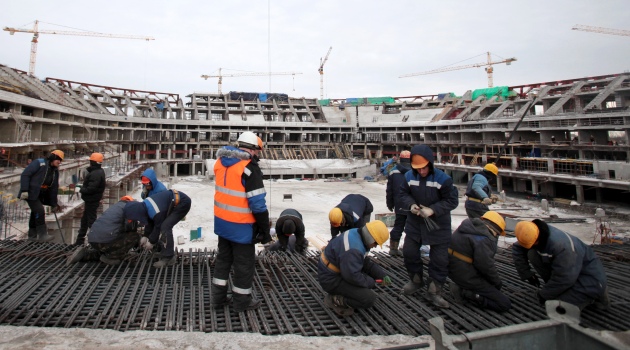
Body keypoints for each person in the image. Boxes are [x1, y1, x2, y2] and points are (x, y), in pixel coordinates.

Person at [211, 131, 271, 312]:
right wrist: (265, 230)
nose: (258, 155)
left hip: (222, 223)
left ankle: (217, 300)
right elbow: (258, 205)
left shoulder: (220, 163)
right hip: (242, 228)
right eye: (258, 152)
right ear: (252, 149)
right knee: (243, 266)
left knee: (223, 261)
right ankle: (241, 303)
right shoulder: (249, 168)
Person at [398, 144, 459, 308]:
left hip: (438, 225)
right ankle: (416, 280)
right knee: (409, 252)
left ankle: (434, 290)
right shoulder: (409, 176)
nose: (421, 172)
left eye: (424, 168)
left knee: (439, 260)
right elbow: (403, 193)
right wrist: (411, 205)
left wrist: (433, 210)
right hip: (415, 224)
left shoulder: (443, 179)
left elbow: (452, 201)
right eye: (418, 169)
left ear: (430, 164)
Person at [512, 219, 610, 310]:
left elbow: (564, 278)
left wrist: (544, 294)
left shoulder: (563, 247)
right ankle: (559, 291)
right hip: (570, 272)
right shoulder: (533, 232)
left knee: (557, 307)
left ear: (537, 238)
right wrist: (526, 273)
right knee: (532, 253)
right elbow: (518, 248)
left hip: (588, 279)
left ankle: (595, 296)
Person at [318, 221, 392, 316]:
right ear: (370, 238)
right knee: (368, 299)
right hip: (330, 280)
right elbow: (352, 276)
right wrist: (370, 282)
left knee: (364, 282)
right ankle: (334, 300)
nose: (375, 246)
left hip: (335, 271)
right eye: (375, 243)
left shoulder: (356, 233)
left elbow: (365, 262)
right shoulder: (353, 250)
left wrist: (381, 275)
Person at [448, 211, 511, 312]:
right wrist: (497, 283)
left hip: (453, 269)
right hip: (466, 275)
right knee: (504, 304)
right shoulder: (484, 239)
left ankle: (462, 287)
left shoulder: (467, 228)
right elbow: (486, 267)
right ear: (495, 229)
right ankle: (466, 293)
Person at [123, 189, 192, 268]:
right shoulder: (145, 206)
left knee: (165, 227)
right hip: (174, 200)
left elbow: (158, 227)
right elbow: (150, 221)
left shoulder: (156, 211)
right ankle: (165, 251)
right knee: (163, 225)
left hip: (182, 203)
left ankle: (169, 258)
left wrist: (152, 242)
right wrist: (146, 236)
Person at [66, 196, 140, 266]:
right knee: (134, 236)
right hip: (106, 241)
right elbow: (129, 228)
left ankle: (86, 254)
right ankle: (112, 257)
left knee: (106, 246)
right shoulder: (129, 208)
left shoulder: (114, 207)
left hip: (93, 240)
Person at [18, 150, 64, 242]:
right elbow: (25, 174)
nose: (59, 162)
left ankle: (32, 236)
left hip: (40, 194)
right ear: (53, 157)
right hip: (30, 192)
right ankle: (42, 234)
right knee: (39, 210)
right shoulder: (39, 163)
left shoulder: (54, 171)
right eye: (58, 159)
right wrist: (24, 190)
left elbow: (53, 188)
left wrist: (53, 203)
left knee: (35, 213)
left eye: (60, 161)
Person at [74, 152, 106, 246]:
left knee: (91, 221)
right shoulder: (98, 171)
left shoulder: (95, 173)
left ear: (93, 162)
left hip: (92, 200)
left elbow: (91, 189)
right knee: (84, 221)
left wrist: (81, 189)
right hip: (91, 200)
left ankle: (96, 242)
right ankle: (80, 241)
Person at [385, 150, 412, 256]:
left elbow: (389, 190)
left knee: (398, 226)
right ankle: (410, 249)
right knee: (412, 228)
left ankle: (393, 249)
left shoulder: (393, 171)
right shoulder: (416, 171)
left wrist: (390, 203)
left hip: (399, 204)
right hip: (412, 205)